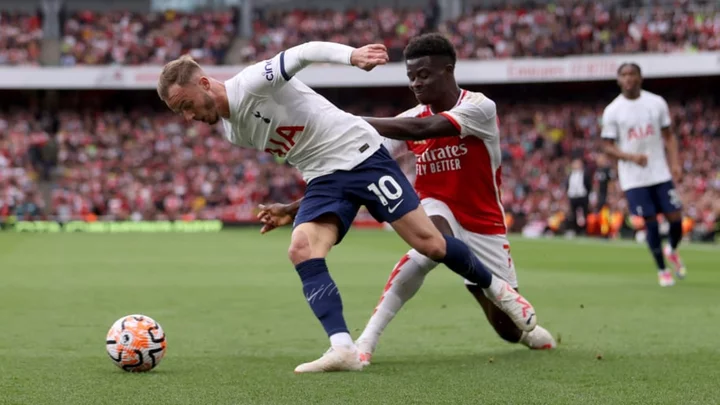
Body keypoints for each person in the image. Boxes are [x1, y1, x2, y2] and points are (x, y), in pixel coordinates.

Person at [157, 41, 537, 373]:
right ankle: (343, 348)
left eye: (187, 106)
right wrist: (292, 209)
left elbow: (304, 52)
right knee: (301, 249)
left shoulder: (252, 83)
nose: (189, 118)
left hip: (361, 156)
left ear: (204, 84)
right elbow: (305, 148)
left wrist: (351, 56)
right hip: (323, 177)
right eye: (180, 114)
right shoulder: (232, 130)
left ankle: (501, 292)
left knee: (432, 245)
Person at [257, 34, 554, 366]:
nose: (415, 83)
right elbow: (354, 173)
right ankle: (366, 340)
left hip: (484, 222)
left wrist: (347, 122)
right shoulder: (408, 117)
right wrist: (294, 207)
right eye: (411, 76)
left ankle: (520, 323)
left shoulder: (479, 107)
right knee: (428, 245)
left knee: (508, 332)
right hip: (433, 205)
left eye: (424, 75)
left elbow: (421, 129)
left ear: (448, 70)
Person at [601, 63, 686, 287]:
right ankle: (661, 269)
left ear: (640, 77)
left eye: (632, 74)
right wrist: (631, 157)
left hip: (659, 171)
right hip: (634, 178)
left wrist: (675, 163)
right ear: (618, 80)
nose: (628, 78)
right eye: (624, 75)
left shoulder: (656, 102)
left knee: (676, 218)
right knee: (651, 223)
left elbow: (669, 136)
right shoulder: (613, 110)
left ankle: (672, 249)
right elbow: (607, 146)